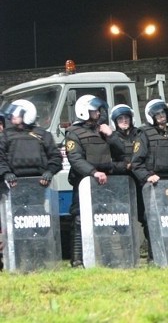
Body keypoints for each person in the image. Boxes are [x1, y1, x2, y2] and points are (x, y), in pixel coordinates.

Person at [65, 95, 125, 267]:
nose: (98, 113)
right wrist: (93, 172)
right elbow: (75, 159)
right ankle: (77, 259)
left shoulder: (104, 130)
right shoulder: (73, 133)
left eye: (99, 110)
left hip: (106, 181)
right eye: (94, 110)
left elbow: (121, 152)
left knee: (104, 218)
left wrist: (111, 135)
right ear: (84, 111)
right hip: (84, 181)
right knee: (79, 219)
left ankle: (108, 257)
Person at [109, 104, 149, 258]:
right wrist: (124, 166)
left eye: (126, 118)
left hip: (139, 181)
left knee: (145, 217)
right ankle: (127, 254)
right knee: (122, 220)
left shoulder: (140, 134)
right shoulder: (109, 138)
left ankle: (152, 251)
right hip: (120, 184)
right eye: (120, 118)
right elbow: (106, 163)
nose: (124, 121)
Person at [0, 99, 62, 188]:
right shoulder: (5, 135)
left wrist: (50, 171)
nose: (13, 116)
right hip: (14, 183)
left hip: (40, 183)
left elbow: (56, 157)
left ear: (26, 113)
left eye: (16, 113)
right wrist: (6, 173)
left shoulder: (43, 134)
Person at [131, 99, 168, 186]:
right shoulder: (144, 134)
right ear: (151, 116)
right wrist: (147, 176)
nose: (161, 116)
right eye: (157, 114)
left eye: (163, 112)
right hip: (153, 181)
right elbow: (136, 163)